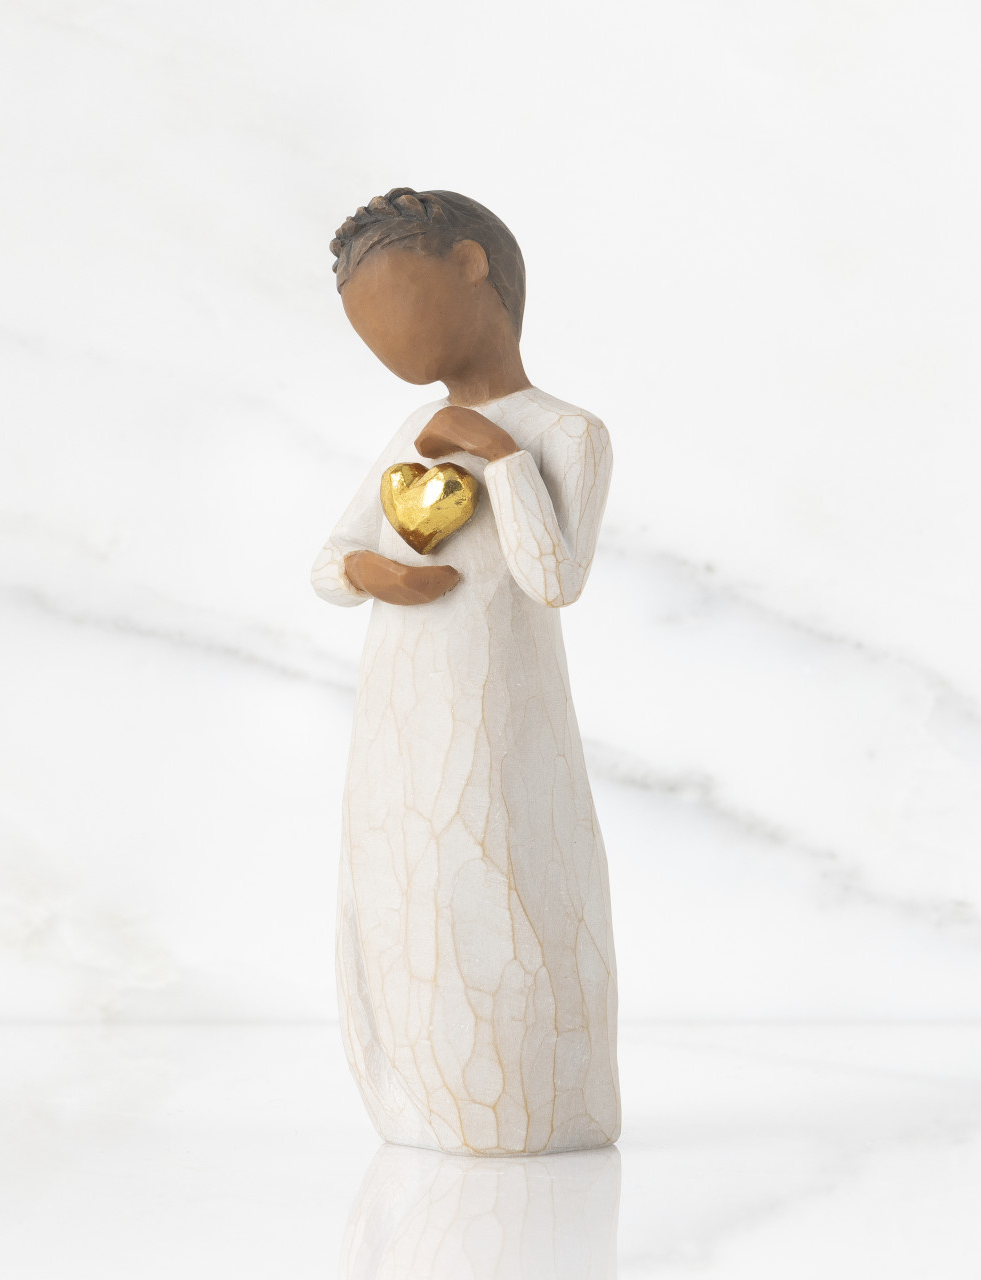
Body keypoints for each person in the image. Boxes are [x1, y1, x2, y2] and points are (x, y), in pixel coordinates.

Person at [311, 188, 620, 1155]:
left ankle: (533, 1101)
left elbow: (553, 578)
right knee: (401, 891)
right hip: (397, 711)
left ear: (471, 266)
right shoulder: (412, 427)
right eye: (366, 330)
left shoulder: (568, 431)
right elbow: (331, 561)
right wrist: (376, 574)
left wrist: (497, 454)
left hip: (498, 718)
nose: (386, 346)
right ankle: (422, 1091)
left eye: (394, 309)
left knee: (503, 888)